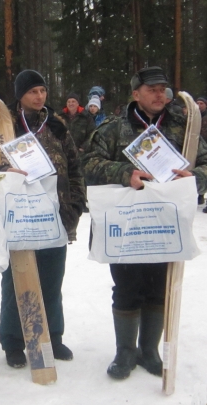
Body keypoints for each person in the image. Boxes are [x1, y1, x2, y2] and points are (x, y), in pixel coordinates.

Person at [81, 66, 207, 380]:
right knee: (126, 288)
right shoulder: (113, 128)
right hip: (126, 225)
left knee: (158, 289)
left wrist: (195, 179)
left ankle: (149, 349)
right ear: (135, 94)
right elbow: (88, 164)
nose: (159, 94)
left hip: (164, 226)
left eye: (163, 88)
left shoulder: (183, 128)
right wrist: (126, 174)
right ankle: (125, 351)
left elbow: (205, 163)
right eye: (151, 89)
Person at [0, 70, 85, 368]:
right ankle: (12, 341)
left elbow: (75, 169)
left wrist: (74, 207)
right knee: (16, 281)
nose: (40, 96)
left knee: (51, 280)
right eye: (33, 91)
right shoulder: (3, 126)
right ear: (20, 95)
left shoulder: (57, 126)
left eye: (43, 91)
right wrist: (1, 169)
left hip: (53, 217)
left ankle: (53, 336)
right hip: (18, 216)